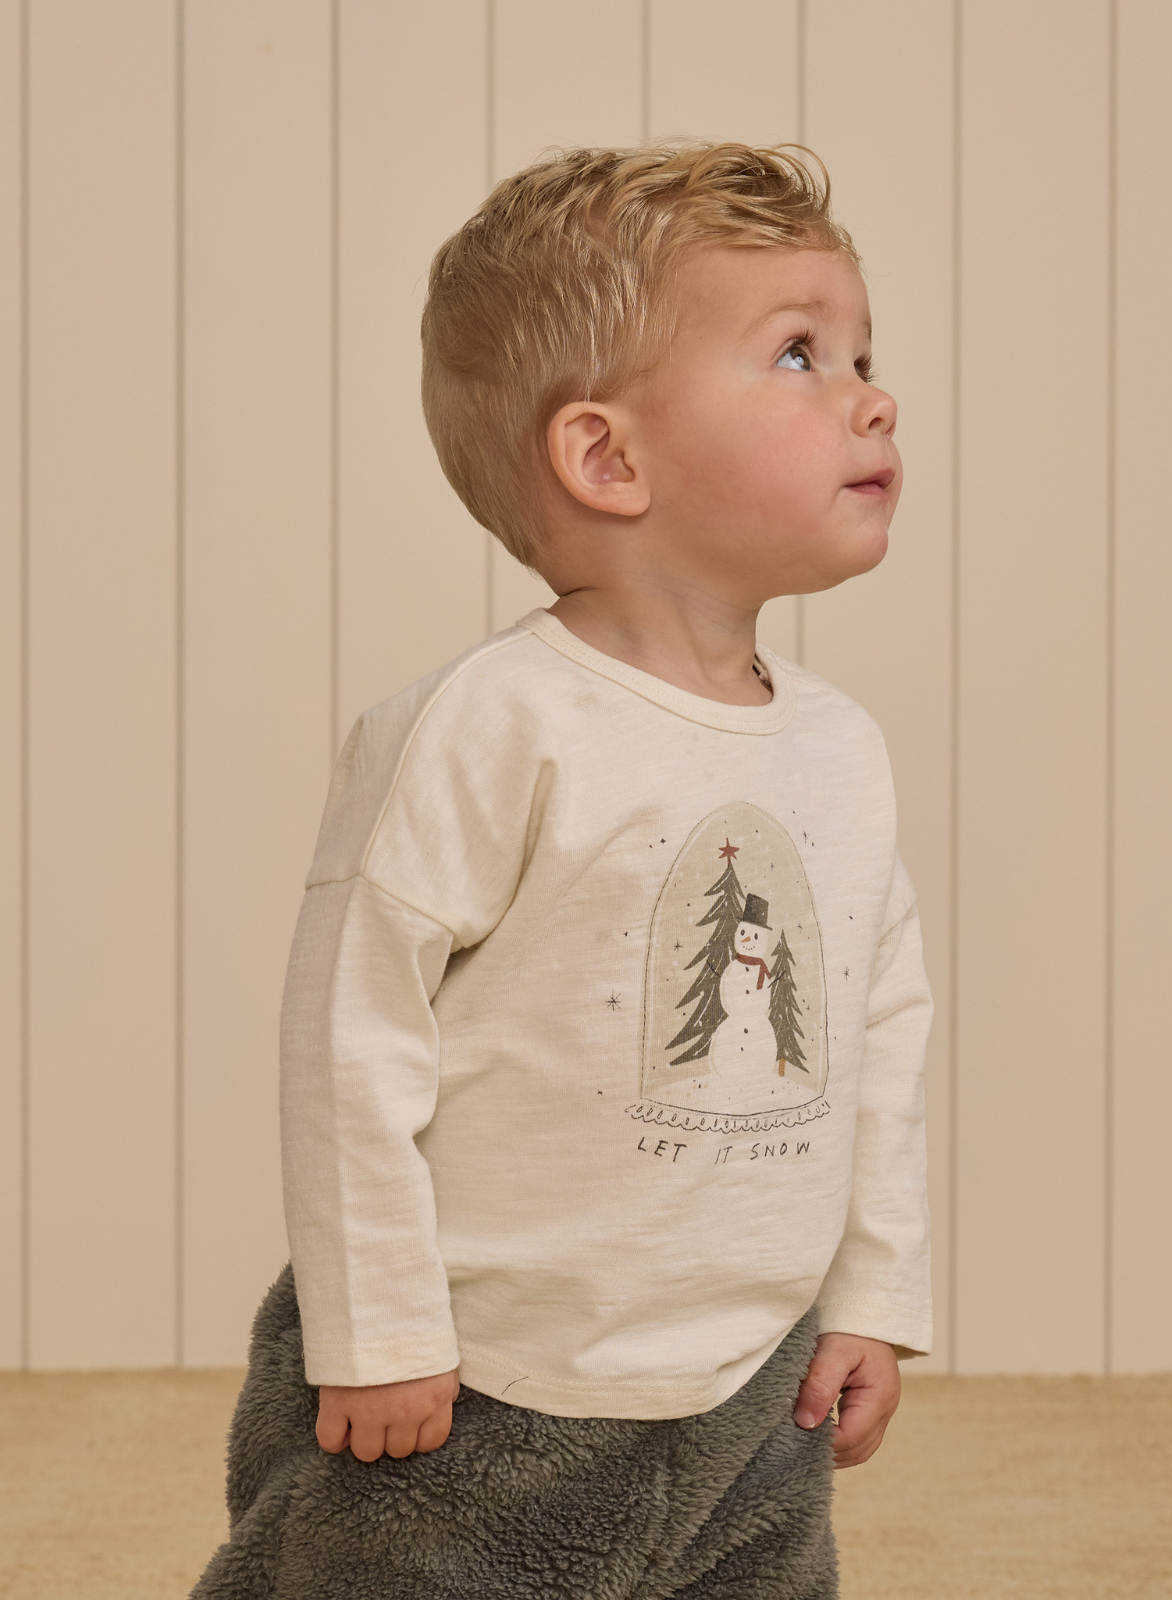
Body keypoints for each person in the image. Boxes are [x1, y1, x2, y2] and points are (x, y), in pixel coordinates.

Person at [192, 140, 933, 1600]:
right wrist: (377, 1328)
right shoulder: (488, 727)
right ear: (608, 458)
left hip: (753, 1384)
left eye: (864, 353)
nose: (871, 394)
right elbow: (350, 1038)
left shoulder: (840, 750)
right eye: (799, 354)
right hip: (483, 1386)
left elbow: (882, 1031)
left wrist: (872, 1293)